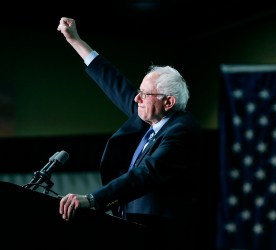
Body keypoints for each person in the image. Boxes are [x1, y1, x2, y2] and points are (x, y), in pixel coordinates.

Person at [56, 17, 202, 249]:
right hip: (134, 227)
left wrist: (93, 199)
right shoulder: (151, 115)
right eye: (139, 92)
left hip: (161, 235)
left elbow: (146, 174)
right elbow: (114, 83)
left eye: (145, 94)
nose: (137, 98)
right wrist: (76, 40)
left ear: (168, 102)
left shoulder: (181, 130)